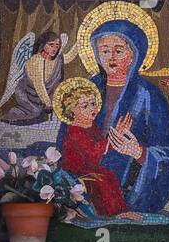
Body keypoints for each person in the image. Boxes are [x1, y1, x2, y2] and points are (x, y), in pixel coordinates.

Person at [59, 16, 169, 213]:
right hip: (85, 188)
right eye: (105, 51)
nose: (111, 57)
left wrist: (139, 152)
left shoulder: (148, 95)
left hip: (131, 191)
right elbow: (65, 139)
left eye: (119, 50)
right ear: (97, 55)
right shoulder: (86, 90)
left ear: (133, 55)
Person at [53, 78, 142, 220]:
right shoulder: (75, 131)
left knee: (108, 175)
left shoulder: (91, 125)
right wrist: (116, 135)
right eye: (85, 106)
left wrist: (115, 135)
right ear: (72, 109)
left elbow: (101, 144)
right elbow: (95, 149)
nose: (92, 108)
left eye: (93, 103)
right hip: (75, 173)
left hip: (90, 169)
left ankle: (121, 211)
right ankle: (111, 215)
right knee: (101, 181)